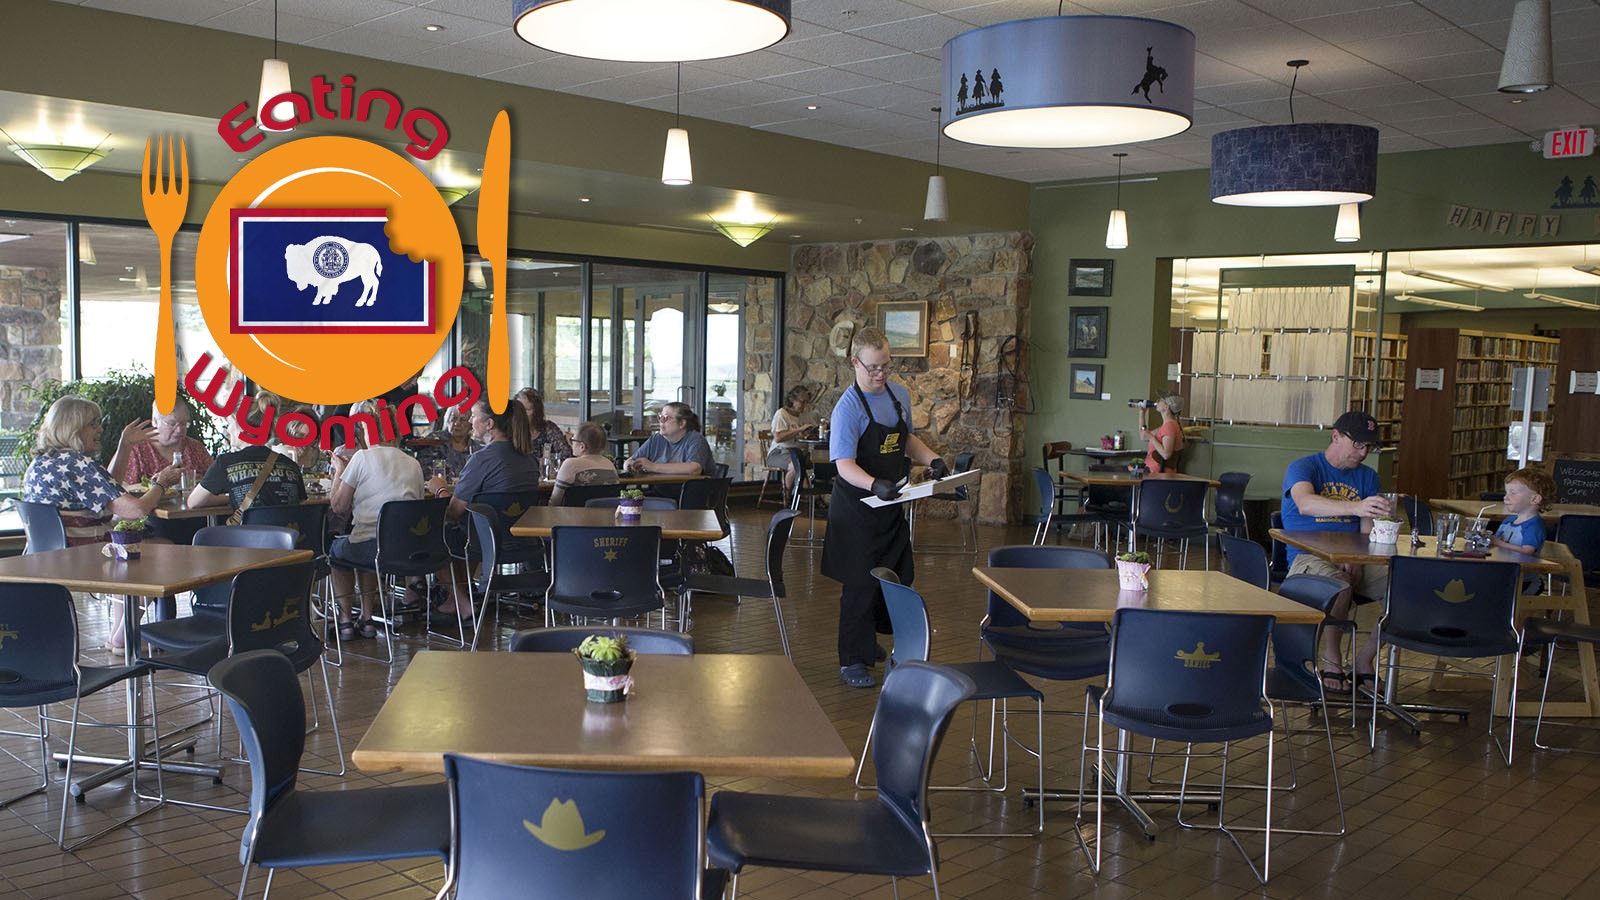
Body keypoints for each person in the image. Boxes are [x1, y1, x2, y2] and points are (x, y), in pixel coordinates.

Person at [822, 327, 946, 688]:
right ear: (854, 363)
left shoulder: (898, 395)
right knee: (860, 585)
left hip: (890, 505)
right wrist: (873, 483)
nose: (880, 374)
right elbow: (843, 464)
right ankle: (852, 661)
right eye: (873, 367)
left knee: (895, 577)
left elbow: (904, 439)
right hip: (857, 509)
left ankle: (869, 640)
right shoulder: (847, 409)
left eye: (886, 366)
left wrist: (933, 459)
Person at [22, 395, 181, 650]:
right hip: (80, 555)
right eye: (93, 424)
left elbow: (107, 488)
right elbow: (137, 510)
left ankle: (120, 636)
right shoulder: (77, 463)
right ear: (73, 428)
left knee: (130, 548)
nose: (100, 429)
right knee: (163, 550)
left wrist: (125, 446)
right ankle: (122, 635)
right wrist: (161, 483)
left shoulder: (43, 462)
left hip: (44, 556)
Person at [1280, 410, 1393, 696]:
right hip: (1308, 557)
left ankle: (1365, 658)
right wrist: (1355, 507)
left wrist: (1359, 557)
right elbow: (1305, 503)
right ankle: (1332, 657)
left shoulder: (1368, 477)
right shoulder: (1304, 467)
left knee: (1405, 585)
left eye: (1370, 446)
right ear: (1336, 436)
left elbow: (1366, 532)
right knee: (1338, 587)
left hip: (1352, 558)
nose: (1364, 452)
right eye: (1358, 444)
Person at [426, 397, 541, 616]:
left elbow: (454, 511)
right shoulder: (529, 460)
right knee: (464, 530)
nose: (470, 420)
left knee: (434, 535)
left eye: (474, 416)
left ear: (489, 424)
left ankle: (460, 601)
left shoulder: (481, 459)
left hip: (484, 542)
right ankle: (461, 594)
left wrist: (439, 489)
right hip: (522, 541)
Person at [327, 400, 425, 640]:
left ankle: (346, 620)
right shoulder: (413, 463)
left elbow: (338, 506)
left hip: (374, 549)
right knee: (368, 539)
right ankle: (367, 618)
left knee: (339, 549)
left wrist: (339, 469)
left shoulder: (362, 458)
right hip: (408, 550)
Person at [187, 393, 306, 515]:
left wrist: (233, 496)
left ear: (241, 428)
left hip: (249, 534)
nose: (228, 430)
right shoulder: (290, 465)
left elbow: (193, 502)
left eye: (230, 424)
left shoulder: (226, 463)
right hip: (289, 533)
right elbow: (299, 502)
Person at [124, 401, 214, 543]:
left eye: (184, 424)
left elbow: (215, 481)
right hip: (155, 520)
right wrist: (156, 484)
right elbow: (122, 488)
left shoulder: (196, 448)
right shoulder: (138, 450)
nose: (179, 430)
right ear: (155, 421)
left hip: (197, 517)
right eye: (172, 424)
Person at [624, 402, 716, 477]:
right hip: (660, 493)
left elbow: (695, 469)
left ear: (682, 423)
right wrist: (631, 466)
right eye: (660, 417)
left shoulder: (695, 439)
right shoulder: (656, 439)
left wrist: (653, 466)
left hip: (690, 494)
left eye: (666, 418)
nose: (661, 421)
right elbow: (628, 461)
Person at [549, 422, 620, 506]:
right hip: (604, 517)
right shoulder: (610, 465)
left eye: (572, 440)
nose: (571, 444)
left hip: (573, 517)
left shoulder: (571, 464)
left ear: (582, 446)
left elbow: (555, 502)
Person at [1491, 467, 1555, 556]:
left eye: (1512, 493)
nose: (1505, 497)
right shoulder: (1508, 521)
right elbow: (1497, 540)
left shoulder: (1533, 526)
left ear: (1535, 499)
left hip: (1521, 568)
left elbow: (1527, 551)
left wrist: (1499, 543)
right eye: (1506, 492)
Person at [768, 385, 817, 496]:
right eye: (802, 402)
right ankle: (787, 495)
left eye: (806, 402)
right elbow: (778, 438)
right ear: (792, 400)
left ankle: (815, 496)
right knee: (796, 466)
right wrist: (799, 430)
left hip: (800, 452)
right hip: (780, 452)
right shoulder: (782, 414)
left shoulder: (804, 415)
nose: (804, 405)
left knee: (820, 462)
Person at [516, 387, 573, 466]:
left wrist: (550, 462)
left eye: (526, 410)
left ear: (536, 412)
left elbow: (566, 455)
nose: (521, 414)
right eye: (518, 409)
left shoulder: (548, 428)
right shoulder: (510, 430)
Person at [1136, 393, 1184, 473]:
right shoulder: (1167, 426)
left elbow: (1166, 454)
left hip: (1159, 475)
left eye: (1161, 400)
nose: (1157, 401)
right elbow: (1143, 436)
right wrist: (1142, 413)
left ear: (1166, 407)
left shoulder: (1170, 426)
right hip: (1153, 471)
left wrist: (1152, 438)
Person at [431, 404, 481, 478]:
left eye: (463, 420)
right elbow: (425, 473)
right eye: (453, 418)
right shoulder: (434, 441)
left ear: (471, 424)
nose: (456, 423)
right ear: (447, 420)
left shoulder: (476, 449)